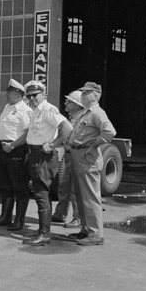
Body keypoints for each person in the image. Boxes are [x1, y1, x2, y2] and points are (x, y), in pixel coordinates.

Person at [20, 80, 73, 246]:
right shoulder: (36, 110)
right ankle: (43, 230)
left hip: (44, 155)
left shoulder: (48, 109)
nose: (32, 98)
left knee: (42, 193)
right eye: (29, 96)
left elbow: (67, 128)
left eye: (35, 95)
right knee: (39, 193)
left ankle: (44, 234)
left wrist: (53, 144)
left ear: (44, 94)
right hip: (35, 154)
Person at [66, 81, 117, 246]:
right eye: (82, 92)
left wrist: (94, 146)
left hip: (87, 156)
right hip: (78, 154)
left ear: (95, 96)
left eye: (86, 93)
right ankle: (86, 229)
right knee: (81, 196)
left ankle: (96, 235)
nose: (83, 95)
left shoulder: (96, 113)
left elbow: (110, 131)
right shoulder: (85, 113)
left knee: (90, 197)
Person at [0, 78, 33, 231]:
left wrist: (13, 145)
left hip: (16, 150)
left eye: (10, 92)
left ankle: (19, 220)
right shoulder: (8, 106)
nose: (6, 95)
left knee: (19, 186)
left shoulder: (25, 110)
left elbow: (28, 133)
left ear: (19, 94)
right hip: (2, 149)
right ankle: (5, 217)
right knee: (5, 185)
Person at [52, 90, 86, 228]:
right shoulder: (72, 118)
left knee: (75, 189)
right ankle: (60, 213)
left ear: (77, 105)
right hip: (67, 155)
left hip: (76, 156)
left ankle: (77, 218)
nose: (65, 103)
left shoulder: (83, 119)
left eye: (69, 102)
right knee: (63, 185)